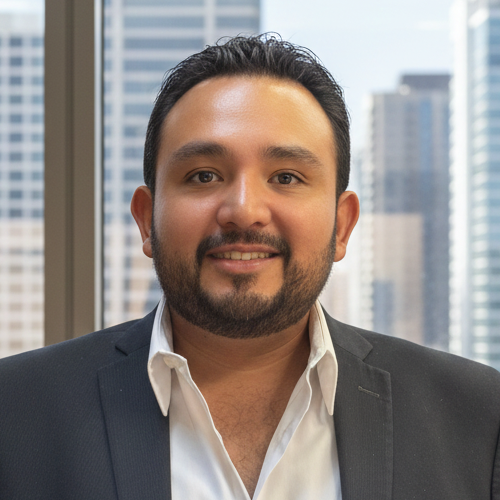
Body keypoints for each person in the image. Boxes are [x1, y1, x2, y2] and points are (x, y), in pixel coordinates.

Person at [1, 35, 499, 500]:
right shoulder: (14, 412)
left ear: (342, 226)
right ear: (147, 220)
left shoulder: (480, 418)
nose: (243, 210)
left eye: (286, 177)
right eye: (204, 175)